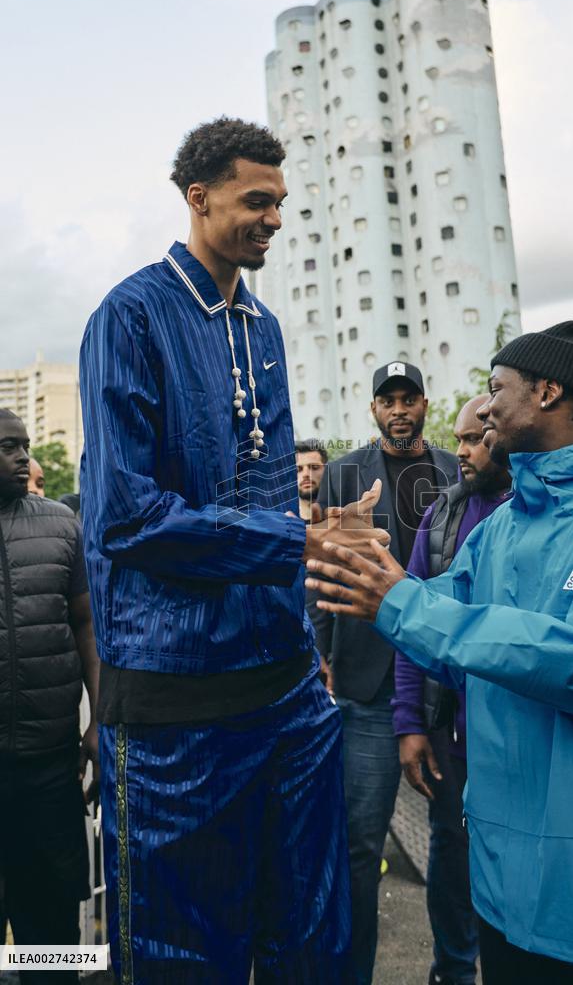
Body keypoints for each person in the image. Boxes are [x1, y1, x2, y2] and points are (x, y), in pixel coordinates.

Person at [79, 115, 388, 985]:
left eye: (281, 203)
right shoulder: (130, 315)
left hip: (287, 692)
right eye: (257, 200)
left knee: (312, 942)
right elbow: (126, 518)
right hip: (176, 702)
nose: (275, 219)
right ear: (199, 196)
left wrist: (316, 547)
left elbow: (266, 495)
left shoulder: (265, 327)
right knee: (182, 958)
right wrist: (297, 538)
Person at [306, 318, 573, 985]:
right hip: (501, 885)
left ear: (548, 392)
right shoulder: (499, 527)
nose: (486, 407)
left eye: (497, 388)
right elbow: (442, 633)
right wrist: (366, 569)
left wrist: (406, 605)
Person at [311, 361, 456, 984]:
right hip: (366, 684)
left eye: (408, 398)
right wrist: (321, 652)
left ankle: (453, 969)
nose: (398, 410)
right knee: (359, 844)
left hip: (442, 681)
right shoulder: (343, 473)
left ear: (424, 404)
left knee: (456, 839)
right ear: (373, 409)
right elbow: (321, 570)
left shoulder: (455, 470)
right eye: (387, 400)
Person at [394, 394, 511, 985]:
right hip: (451, 729)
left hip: (515, 729)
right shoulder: (441, 515)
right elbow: (411, 622)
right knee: (451, 854)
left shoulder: (537, 510)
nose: (461, 451)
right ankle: (453, 971)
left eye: (474, 439)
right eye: (459, 439)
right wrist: (409, 722)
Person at [0, 409, 99, 984]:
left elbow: (86, 627)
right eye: (8, 447)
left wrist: (98, 721)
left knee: (53, 931)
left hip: (50, 769)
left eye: (26, 445)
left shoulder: (62, 525)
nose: (24, 458)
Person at [295, 439, 328, 522]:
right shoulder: (280, 520)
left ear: (327, 470)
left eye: (314, 467)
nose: (306, 474)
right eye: (298, 469)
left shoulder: (342, 515)